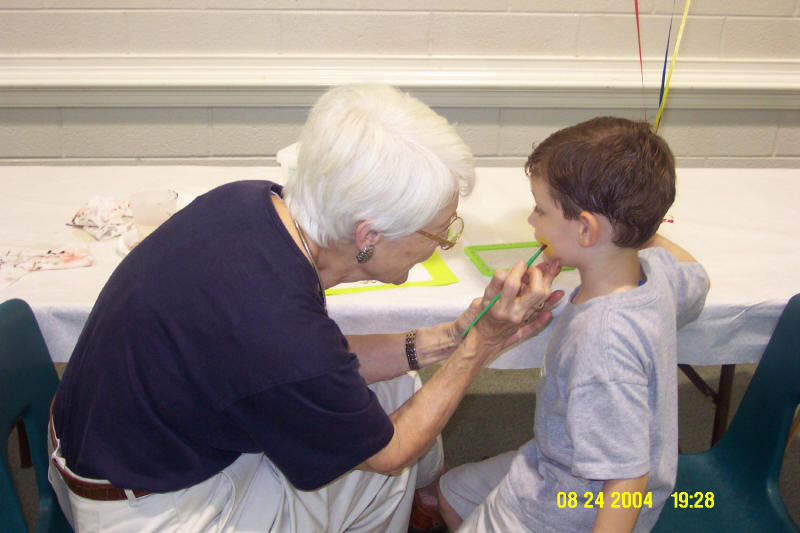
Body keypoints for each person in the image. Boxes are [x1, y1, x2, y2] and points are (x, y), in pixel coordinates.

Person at [48, 83, 562, 533]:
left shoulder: (249, 203)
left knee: (396, 384)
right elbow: (389, 453)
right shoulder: (276, 327)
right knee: (386, 477)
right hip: (151, 512)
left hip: (115, 449)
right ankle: (417, 503)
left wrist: (453, 336)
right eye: (439, 232)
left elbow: (310, 361)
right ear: (368, 235)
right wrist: (478, 349)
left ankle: (425, 500)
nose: (442, 244)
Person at [437, 117, 710, 532]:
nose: (532, 222)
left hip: (570, 508)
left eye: (540, 210)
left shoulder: (601, 341)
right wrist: (636, 223)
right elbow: (696, 275)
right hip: (556, 463)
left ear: (585, 229)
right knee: (452, 492)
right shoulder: (657, 273)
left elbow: (627, 481)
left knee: (460, 499)